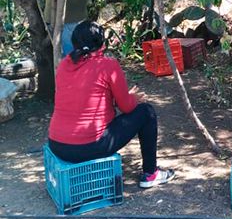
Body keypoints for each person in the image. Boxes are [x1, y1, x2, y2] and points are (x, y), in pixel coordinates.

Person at [48, 21, 175, 188]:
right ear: (102, 43)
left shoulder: (64, 65)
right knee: (146, 112)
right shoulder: (108, 65)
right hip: (90, 146)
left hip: (57, 145)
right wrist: (134, 98)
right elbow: (127, 107)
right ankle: (151, 174)